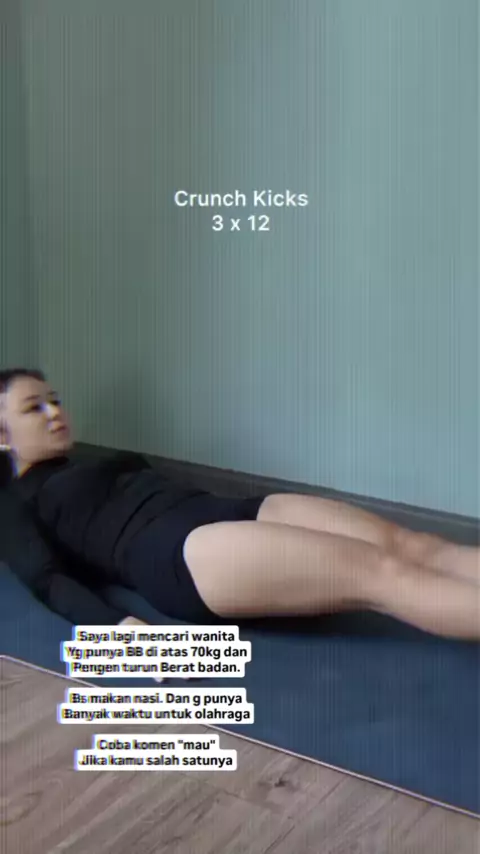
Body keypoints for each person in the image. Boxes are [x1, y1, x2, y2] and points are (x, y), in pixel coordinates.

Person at [0, 367, 479, 639]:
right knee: (381, 573)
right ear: (3, 436)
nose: (55, 411)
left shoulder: (86, 464)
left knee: (413, 546)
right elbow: (46, 580)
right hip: (179, 553)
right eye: (34, 408)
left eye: (54, 399)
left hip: (223, 509)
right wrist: (125, 634)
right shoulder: (16, 500)